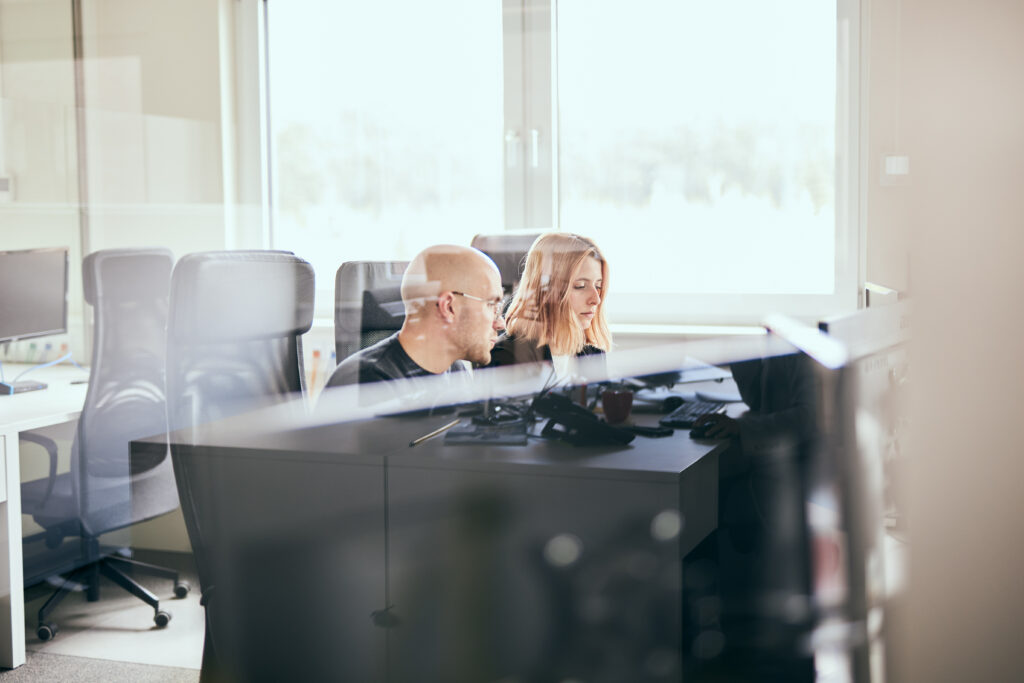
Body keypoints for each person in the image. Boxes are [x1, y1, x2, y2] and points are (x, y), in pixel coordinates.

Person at [324, 244, 505, 388]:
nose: (500, 324)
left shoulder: (454, 371)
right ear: (448, 307)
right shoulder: (368, 383)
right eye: (491, 305)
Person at [488, 233, 611, 378]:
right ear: (546, 290)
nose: (596, 299)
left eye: (598, 286)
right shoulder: (507, 357)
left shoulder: (592, 354)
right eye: (580, 286)